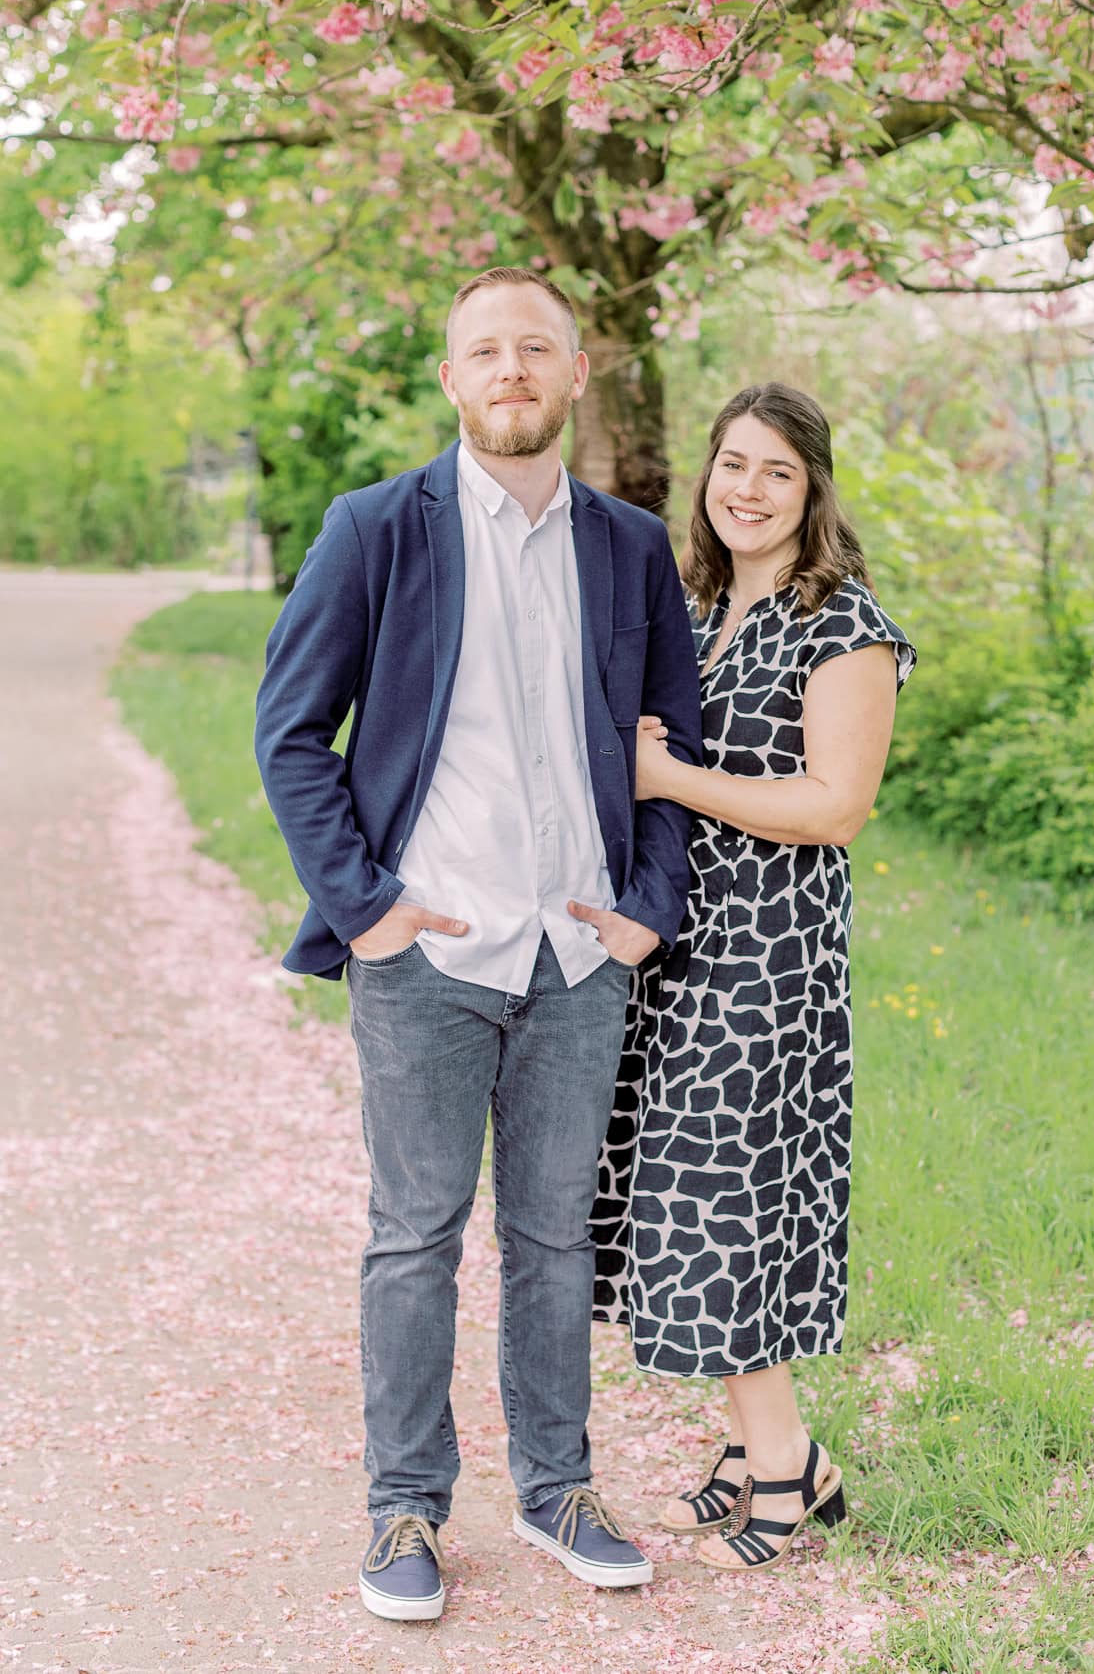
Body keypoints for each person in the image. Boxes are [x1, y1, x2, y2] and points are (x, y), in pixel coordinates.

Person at [254, 267, 702, 1620]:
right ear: (450, 379)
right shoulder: (374, 527)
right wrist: (365, 904)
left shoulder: (627, 545)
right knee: (413, 1236)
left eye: (535, 348)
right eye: (483, 351)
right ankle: (402, 1504)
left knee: (555, 1238)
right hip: (427, 954)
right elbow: (290, 731)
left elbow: (667, 751)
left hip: (577, 957)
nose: (510, 369)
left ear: (573, 375)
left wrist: (645, 908)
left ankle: (558, 1486)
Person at [591, 382, 916, 1573]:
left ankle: (786, 1467)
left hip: (766, 961)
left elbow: (837, 807)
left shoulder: (847, 627)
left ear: (812, 489)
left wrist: (670, 783)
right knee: (677, 1206)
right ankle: (752, 1453)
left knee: (726, 1205)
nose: (747, 489)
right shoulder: (698, 605)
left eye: (776, 471)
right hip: (674, 952)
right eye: (732, 464)